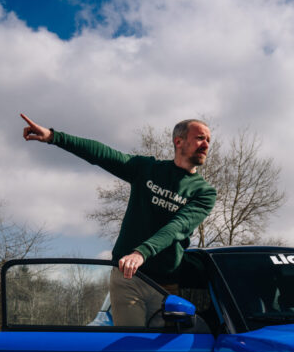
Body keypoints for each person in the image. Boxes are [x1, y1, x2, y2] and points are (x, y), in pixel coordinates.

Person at [21, 113, 216, 326]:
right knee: (133, 341)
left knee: (161, 345)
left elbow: (178, 226)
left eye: (208, 140)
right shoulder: (147, 169)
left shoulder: (204, 192)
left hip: (166, 286)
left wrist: (142, 252)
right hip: (129, 277)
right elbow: (103, 154)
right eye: (200, 138)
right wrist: (53, 137)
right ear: (179, 141)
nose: (206, 144)